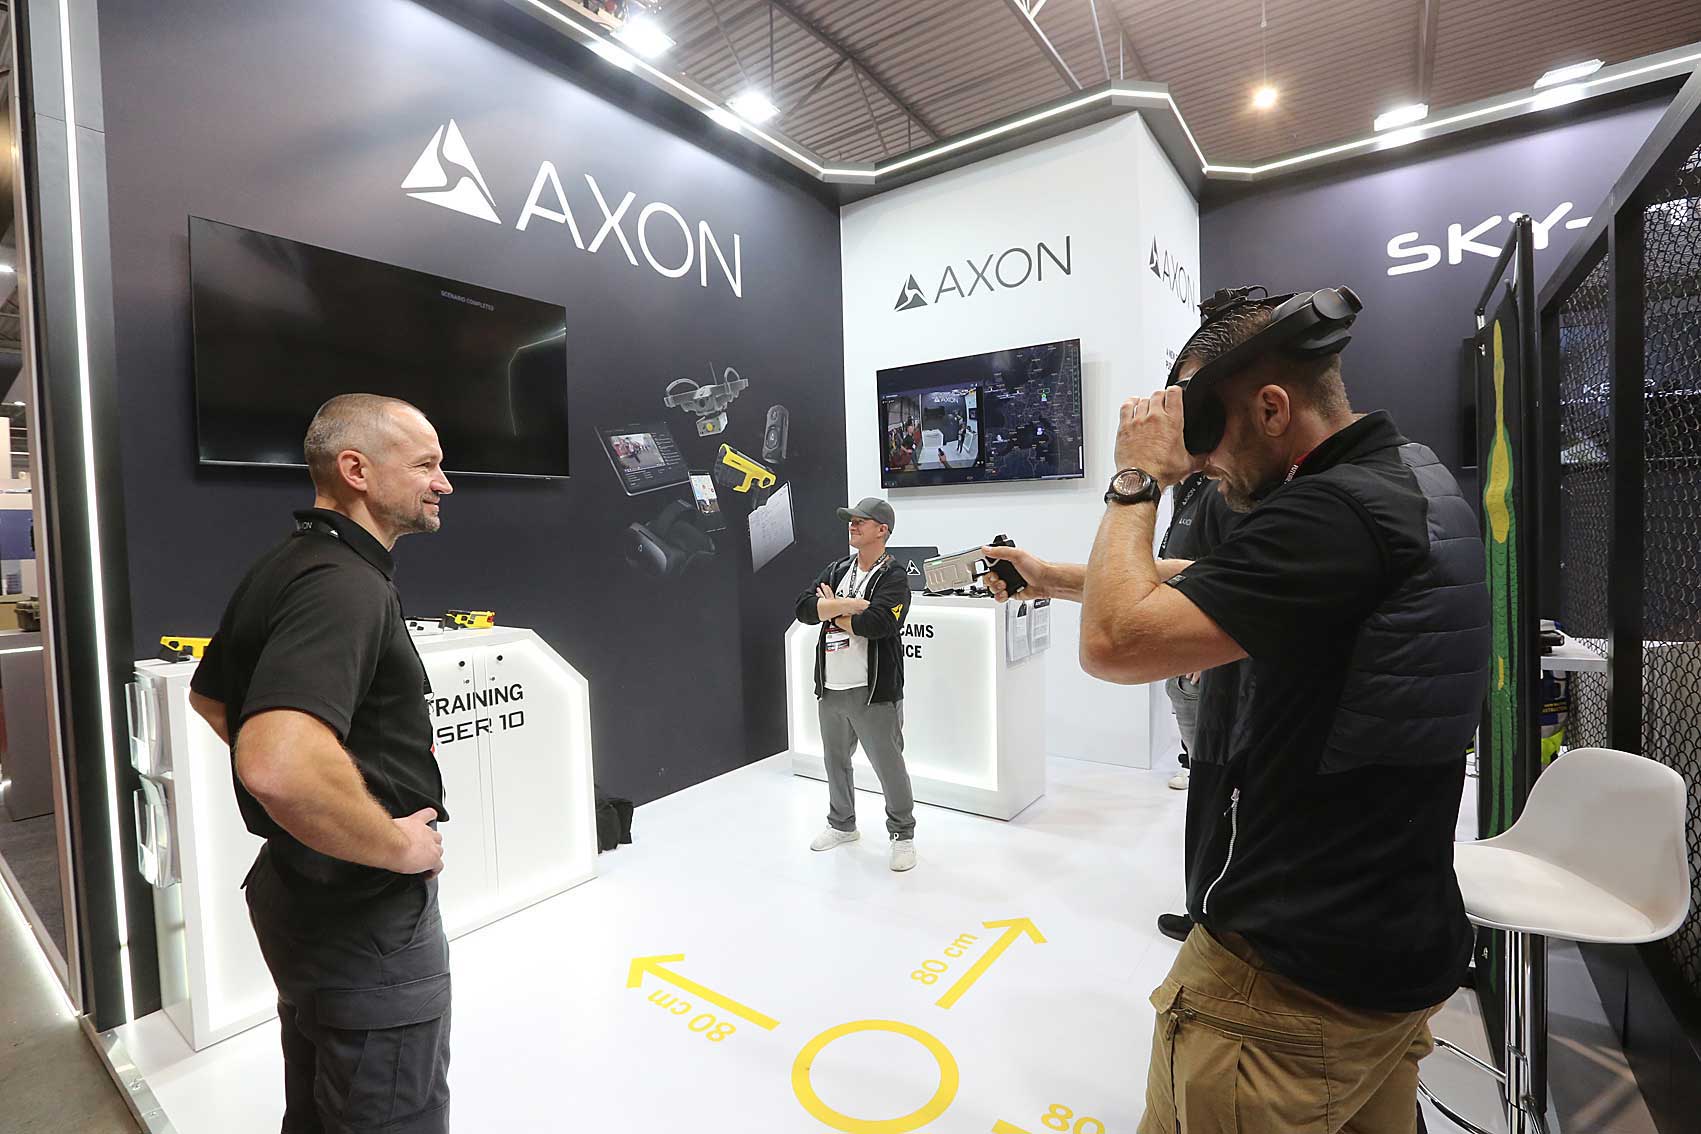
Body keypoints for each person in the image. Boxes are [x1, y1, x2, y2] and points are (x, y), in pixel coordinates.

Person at [981, 289, 1488, 1133]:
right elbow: (1239, 582)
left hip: (1286, 984)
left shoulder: (1332, 512)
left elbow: (1113, 646)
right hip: (1392, 952)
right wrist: (1054, 578)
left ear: (1271, 407)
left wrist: (1136, 479)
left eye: (1205, 435)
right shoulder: (1402, 479)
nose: (1201, 464)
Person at [188, 393, 456, 1134]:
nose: (443, 483)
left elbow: (212, 699)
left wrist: (326, 801)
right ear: (356, 470)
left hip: (299, 894)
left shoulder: (288, 564)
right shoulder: (345, 586)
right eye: (426, 465)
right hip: (363, 916)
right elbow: (277, 764)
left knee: (316, 1107)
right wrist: (395, 844)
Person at [793, 497, 918, 872]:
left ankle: (902, 834)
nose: (852, 525)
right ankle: (842, 824)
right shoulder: (837, 569)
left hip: (873, 690)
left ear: (882, 530)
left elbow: (879, 624)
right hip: (831, 686)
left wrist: (832, 611)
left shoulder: (893, 576)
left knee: (889, 766)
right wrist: (851, 606)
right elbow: (803, 607)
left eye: (861, 521)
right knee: (835, 762)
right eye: (851, 520)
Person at [1152, 468, 1242, 946]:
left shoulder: (1223, 491)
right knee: (1207, 785)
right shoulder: (1190, 492)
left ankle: (1211, 912)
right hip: (1190, 658)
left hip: (1208, 664)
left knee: (1219, 789)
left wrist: (1207, 650)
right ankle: (1205, 904)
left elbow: (1224, 577)